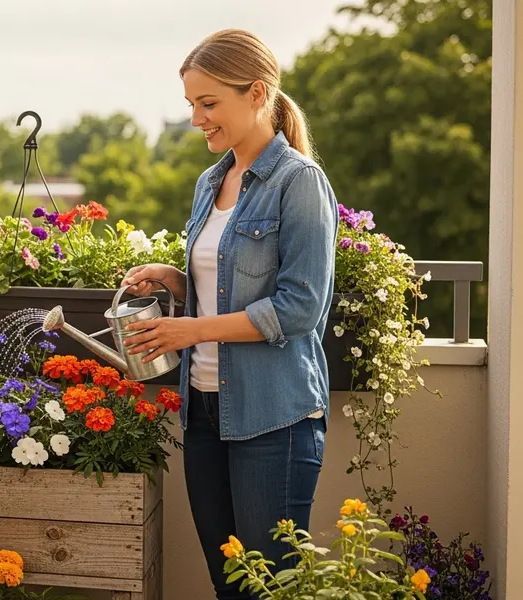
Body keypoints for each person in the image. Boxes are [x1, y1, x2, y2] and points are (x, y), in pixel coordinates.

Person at [119, 29, 337, 599]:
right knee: (229, 586)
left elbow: (299, 308)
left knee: (270, 589)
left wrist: (189, 330)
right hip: (205, 413)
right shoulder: (210, 182)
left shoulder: (299, 182)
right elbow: (227, 284)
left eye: (209, 103)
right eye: (192, 104)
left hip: (274, 417)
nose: (197, 119)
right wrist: (175, 278)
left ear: (256, 93)